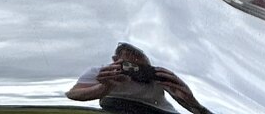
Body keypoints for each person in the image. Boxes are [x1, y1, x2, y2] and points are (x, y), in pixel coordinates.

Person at [65, 43, 214, 114]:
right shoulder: (102, 73)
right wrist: (104, 87)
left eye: (140, 58)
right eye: (128, 59)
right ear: (115, 59)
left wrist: (189, 99)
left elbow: (195, 109)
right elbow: (72, 94)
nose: (135, 64)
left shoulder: (158, 76)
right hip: (116, 108)